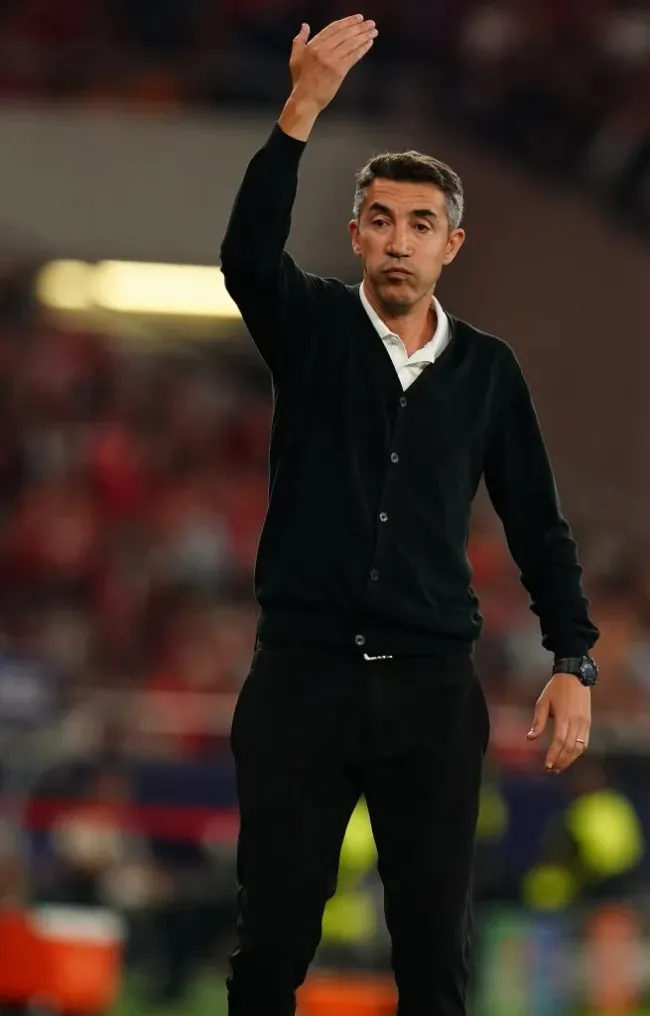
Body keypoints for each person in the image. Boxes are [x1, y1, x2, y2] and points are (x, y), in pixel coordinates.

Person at [219, 14, 600, 1016]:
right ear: (354, 235)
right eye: (379, 219)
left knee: (435, 952)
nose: (397, 239)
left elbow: (536, 523)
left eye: (419, 222)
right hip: (299, 677)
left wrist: (571, 659)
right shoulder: (307, 328)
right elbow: (246, 257)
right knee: (274, 940)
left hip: (433, 692)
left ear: (451, 244)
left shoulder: (486, 371)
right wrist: (299, 110)